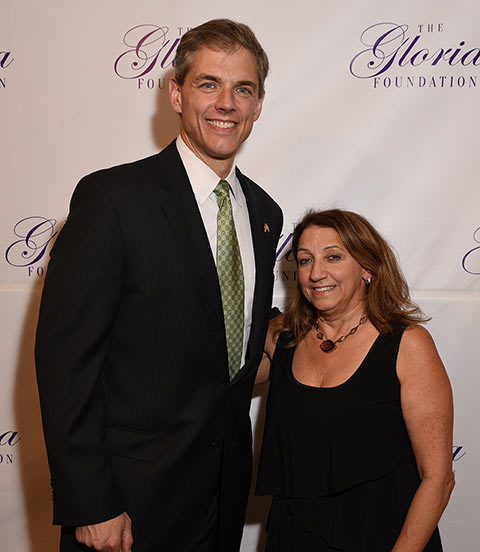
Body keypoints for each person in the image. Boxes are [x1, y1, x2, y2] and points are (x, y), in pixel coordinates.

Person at [35, 19, 283, 552]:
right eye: (208, 84)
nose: (227, 103)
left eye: (243, 88)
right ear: (176, 92)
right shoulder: (113, 199)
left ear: (259, 105)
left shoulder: (265, 213)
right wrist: (91, 503)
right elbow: (65, 365)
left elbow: (228, 350)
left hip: (224, 499)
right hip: (126, 507)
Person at [256, 209, 454, 551]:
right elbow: (211, 382)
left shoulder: (407, 344)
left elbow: (438, 479)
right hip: (294, 536)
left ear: (367, 268)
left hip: (383, 538)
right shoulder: (283, 338)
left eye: (333, 257)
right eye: (305, 260)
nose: (316, 273)